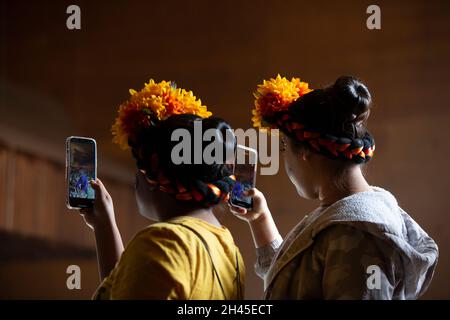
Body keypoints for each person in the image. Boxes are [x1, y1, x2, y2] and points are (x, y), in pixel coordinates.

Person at [229, 74, 438, 299]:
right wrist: (260, 220)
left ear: (305, 152)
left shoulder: (358, 234)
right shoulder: (347, 218)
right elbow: (291, 276)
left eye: (284, 148)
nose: (286, 163)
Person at [80, 79, 244, 299]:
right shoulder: (228, 248)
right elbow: (127, 285)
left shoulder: (161, 243)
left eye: (137, 167)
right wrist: (104, 225)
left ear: (152, 177)